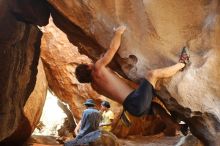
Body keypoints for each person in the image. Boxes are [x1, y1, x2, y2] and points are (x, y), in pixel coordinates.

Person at [75, 25, 190, 117]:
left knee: (155, 107)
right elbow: (113, 49)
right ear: (88, 68)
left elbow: (117, 88)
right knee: (152, 74)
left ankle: (177, 126)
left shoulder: (95, 87)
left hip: (132, 109)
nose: (91, 63)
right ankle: (182, 63)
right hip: (135, 100)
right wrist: (118, 33)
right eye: (88, 64)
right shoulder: (98, 68)